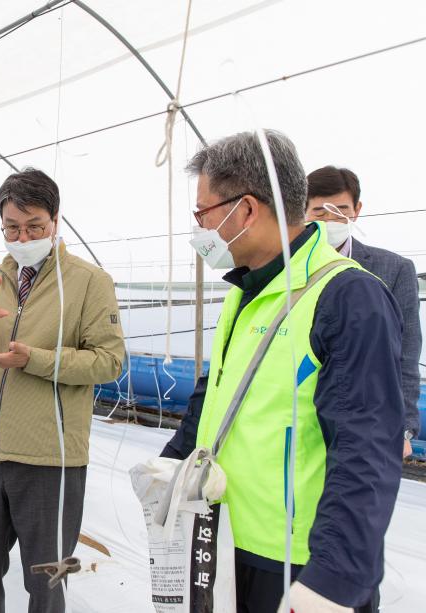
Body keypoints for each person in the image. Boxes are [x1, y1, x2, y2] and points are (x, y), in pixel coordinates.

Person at [162, 131, 403, 613]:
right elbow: (218, 392)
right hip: (226, 536)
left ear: (246, 210)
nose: (199, 229)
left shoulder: (345, 296)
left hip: (294, 563)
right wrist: (171, 466)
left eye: (203, 213)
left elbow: (367, 447)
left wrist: (335, 580)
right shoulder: (244, 293)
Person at [0, 168, 125, 613]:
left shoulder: (88, 282)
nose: (22, 237)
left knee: (46, 581)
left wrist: (36, 360)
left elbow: (110, 361)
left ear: (56, 221)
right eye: (12, 227)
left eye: (34, 227)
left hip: (50, 461)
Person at [305, 165, 422, 457]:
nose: (330, 220)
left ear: (357, 210)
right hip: (297, 417)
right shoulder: (285, 268)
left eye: (340, 210)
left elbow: (406, 354)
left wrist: (404, 427)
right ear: (302, 211)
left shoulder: (393, 270)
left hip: (363, 419)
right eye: (319, 212)